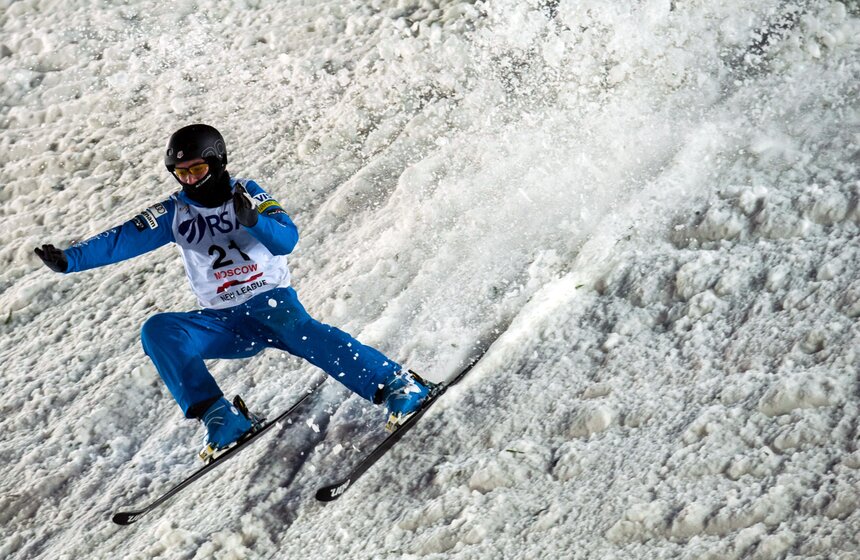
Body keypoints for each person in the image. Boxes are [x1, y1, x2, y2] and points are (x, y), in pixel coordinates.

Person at [35, 124, 430, 462]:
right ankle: (221, 416)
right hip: (223, 321)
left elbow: (287, 240)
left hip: (271, 304)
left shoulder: (247, 192)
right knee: (159, 330)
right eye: (180, 173)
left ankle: (396, 383)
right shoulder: (174, 213)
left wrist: (254, 220)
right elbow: (122, 238)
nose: (190, 180)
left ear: (218, 161)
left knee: (303, 333)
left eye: (197, 169)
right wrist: (70, 260)